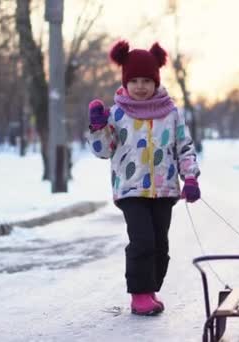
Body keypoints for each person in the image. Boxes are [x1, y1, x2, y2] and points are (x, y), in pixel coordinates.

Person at [87, 40, 201, 316]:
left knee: (160, 244)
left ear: (156, 81)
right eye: (134, 80)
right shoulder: (117, 113)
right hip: (130, 190)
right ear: (125, 82)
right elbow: (103, 152)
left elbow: (183, 146)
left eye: (146, 80)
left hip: (164, 191)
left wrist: (190, 178)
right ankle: (139, 295)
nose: (140, 86)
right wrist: (98, 127)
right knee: (142, 240)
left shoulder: (171, 113)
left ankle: (150, 289)